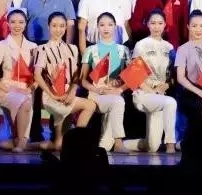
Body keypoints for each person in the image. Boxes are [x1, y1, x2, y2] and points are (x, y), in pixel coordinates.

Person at [35, 13, 95, 151]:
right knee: (59, 144)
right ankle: (72, 141)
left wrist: (72, 91)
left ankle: (76, 139)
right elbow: (37, 75)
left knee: (90, 105)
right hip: (51, 94)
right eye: (54, 26)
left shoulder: (72, 48)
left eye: (62, 26)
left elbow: (76, 74)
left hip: (68, 93)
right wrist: (52, 94)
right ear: (48, 27)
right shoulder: (42, 49)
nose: (58, 30)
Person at [0, 9, 37, 152]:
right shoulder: (2, 45)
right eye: (13, 22)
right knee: (25, 102)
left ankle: (18, 141)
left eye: (21, 22)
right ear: (7, 24)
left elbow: (39, 74)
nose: (17, 25)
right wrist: (3, 87)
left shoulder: (33, 47)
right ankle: (21, 142)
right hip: (7, 88)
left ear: (26, 24)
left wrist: (31, 88)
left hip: (27, 88)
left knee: (26, 100)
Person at [80, 12, 130, 152]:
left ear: (115, 27)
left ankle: (103, 149)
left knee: (105, 146)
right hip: (97, 94)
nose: (106, 28)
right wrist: (96, 89)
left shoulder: (123, 50)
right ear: (97, 27)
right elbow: (82, 80)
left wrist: (119, 88)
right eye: (102, 25)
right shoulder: (91, 50)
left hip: (115, 93)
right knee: (118, 102)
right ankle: (119, 142)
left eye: (110, 25)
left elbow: (131, 78)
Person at [130, 11, 179, 153]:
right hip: (143, 92)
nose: (156, 27)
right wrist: (152, 90)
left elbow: (173, 75)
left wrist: (167, 84)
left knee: (152, 147)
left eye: (160, 23)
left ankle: (122, 145)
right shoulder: (141, 44)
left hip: (160, 96)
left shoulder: (169, 47)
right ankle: (170, 144)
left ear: (165, 25)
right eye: (153, 23)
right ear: (147, 24)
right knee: (171, 102)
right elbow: (134, 74)